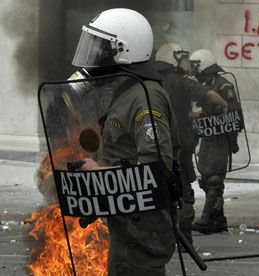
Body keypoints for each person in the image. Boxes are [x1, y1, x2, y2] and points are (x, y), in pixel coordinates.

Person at [72, 8, 180, 275]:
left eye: (100, 48)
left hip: (143, 229)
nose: (94, 55)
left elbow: (155, 170)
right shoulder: (127, 92)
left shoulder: (145, 97)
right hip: (129, 221)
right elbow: (124, 156)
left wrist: (99, 173)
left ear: (122, 49)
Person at [154, 43, 229, 243]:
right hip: (179, 145)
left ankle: (165, 233)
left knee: (160, 190)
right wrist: (222, 104)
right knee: (184, 191)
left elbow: (179, 112)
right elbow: (208, 95)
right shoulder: (181, 81)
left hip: (155, 144)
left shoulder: (152, 81)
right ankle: (184, 236)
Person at [189, 49, 240, 234]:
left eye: (195, 65)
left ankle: (206, 219)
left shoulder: (223, 85)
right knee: (206, 178)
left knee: (214, 178)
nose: (193, 69)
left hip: (220, 137)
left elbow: (234, 112)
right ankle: (218, 220)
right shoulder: (205, 84)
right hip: (207, 136)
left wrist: (213, 116)